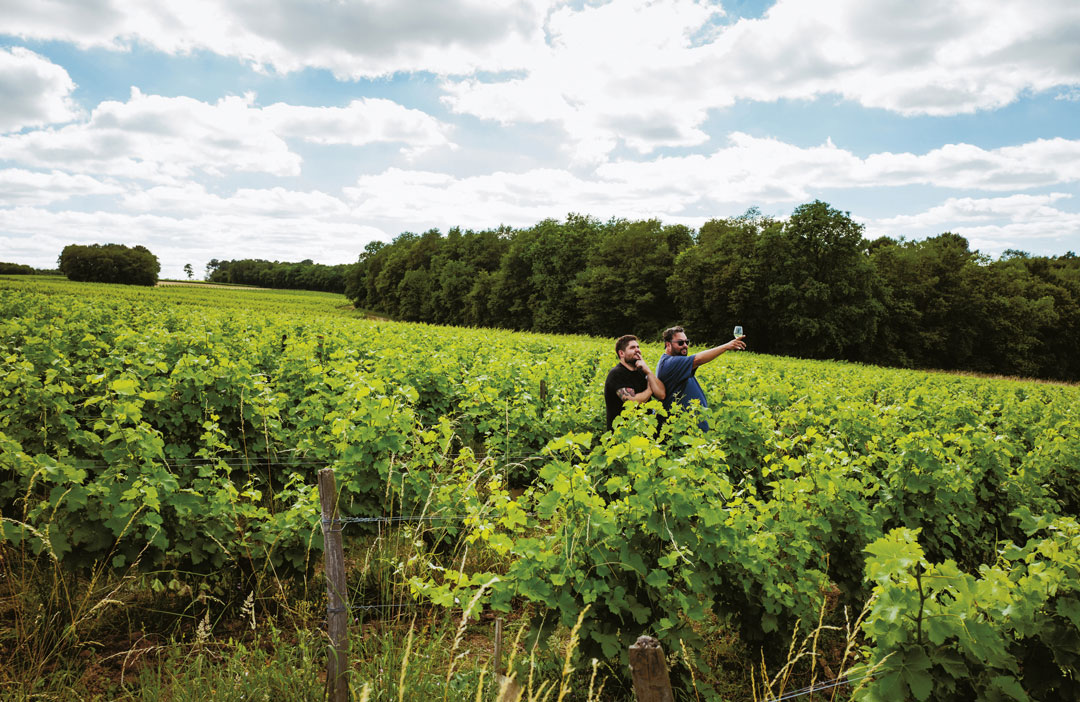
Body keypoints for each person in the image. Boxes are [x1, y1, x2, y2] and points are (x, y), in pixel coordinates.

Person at [655, 326, 746, 430]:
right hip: (682, 431)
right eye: (680, 343)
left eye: (686, 342)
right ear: (668, 344)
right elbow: (697, 359)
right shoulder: (669, 363)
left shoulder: (677, 362)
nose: (685, 346)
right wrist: (726, 346)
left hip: (691, 431)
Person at [604, 334, 666, 431]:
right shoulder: (616, 374)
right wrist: (650, 390)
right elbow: (632, 401)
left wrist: (648, 371)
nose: (637, 350)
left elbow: (661, 394)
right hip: (623, 434)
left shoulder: (640, 371)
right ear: (621, 353)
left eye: (638, 347)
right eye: (632, 348)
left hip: (643, 431)